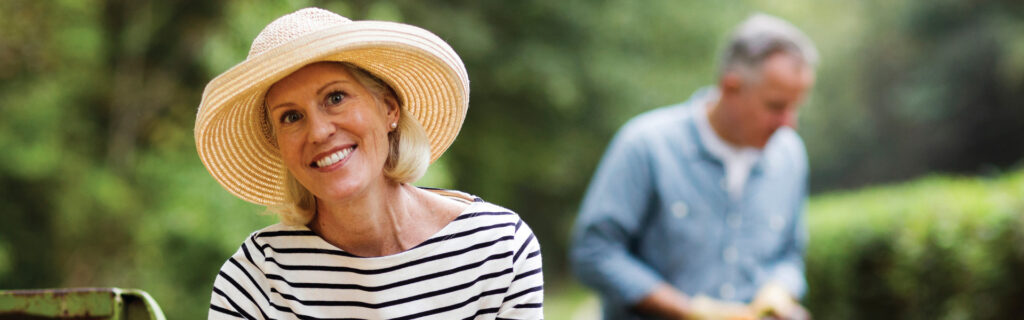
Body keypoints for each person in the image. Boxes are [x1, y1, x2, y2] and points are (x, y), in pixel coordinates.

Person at [194, 8, 543, 319]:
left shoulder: (499, 248)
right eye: (291, 117)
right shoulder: (256, 277)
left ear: (389, 109)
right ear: (279, 147)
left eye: (335, 97)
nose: (318, 131)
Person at [570, 13, 818, 320]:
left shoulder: (790, 156)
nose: (789, 123)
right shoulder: (646, 145)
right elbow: (595, 253)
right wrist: (689, 311)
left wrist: (779, 292)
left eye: (795, 107)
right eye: (776, 106)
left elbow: (789, 256)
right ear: (731, 88)